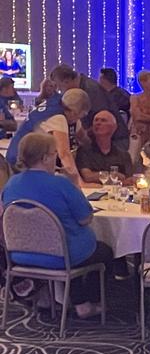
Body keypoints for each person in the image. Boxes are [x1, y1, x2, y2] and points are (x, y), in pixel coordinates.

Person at [2, 133, 112, 319]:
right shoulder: (60, 183)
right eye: (55, 154)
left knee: (74, 244)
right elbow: (85, 218)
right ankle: (88, 303)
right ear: (45, 158)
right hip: (61, 256)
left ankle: (75, 301)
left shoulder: (11, 183)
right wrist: (75, 183)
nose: (57, 158)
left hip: (20, 255)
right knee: (103, 252)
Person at [7, 88, 91, 188]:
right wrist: (79, 183)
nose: (79, 119)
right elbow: (64, 154)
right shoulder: (58, 118)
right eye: (80, 115)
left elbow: (83, 139)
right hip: (22, 166)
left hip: (33, 163)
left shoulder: (63, 108)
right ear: (74, 112)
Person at [49, 63, 131, 151]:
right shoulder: (84, 87)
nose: (60, 91)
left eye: (59, 87)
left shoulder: (91, 90)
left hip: (114, 143)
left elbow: (102, 122)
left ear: (67, 81)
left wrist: (80, 134)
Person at [76, 110, 133, 183]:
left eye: (103, 120)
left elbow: (128, 179)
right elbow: (87, 177)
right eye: (96, 120)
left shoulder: (124, 155)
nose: (98, 123)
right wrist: (114, 175)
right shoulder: (84, 151)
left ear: (114, 127)